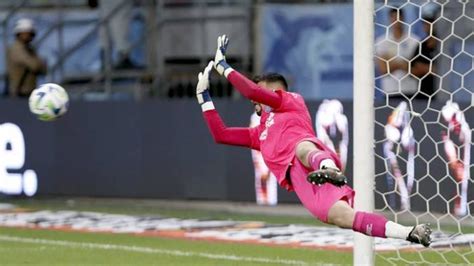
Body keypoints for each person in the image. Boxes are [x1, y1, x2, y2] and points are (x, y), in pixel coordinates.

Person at [196, 35, 432, 247]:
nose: (257, 96)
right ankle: (410, 233)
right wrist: (204, 98)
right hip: (306, 185)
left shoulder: (290, 102)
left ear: (278, 91)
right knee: (344, 218)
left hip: (314, 159)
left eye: (263, 90)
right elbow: (222, 134)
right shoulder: (259, 134)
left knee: (300, 147)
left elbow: (251, 92)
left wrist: (223, 66)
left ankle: (328, 169)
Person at [375, 8, 420, 98]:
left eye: (399, 17)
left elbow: (416, 69)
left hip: (411, 90)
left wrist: (391, 61)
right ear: (389, 19)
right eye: (393, 17)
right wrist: (406, 63)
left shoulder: (415, 41)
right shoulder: (381, 41)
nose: (396, 21)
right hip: (390, 90)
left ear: (403, 18)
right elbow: (383, 69)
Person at [383, 101, 415, 211]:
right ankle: (395, 204)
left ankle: (405, 203)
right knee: (394, 178)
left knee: (406, 179)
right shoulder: (391, 128)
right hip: (393, 154)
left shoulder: (408, 132)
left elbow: (407, 145)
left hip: (404, 155)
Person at [441, 101, 470, 217]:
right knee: (458, 175)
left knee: (463, 177)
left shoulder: (463, 127)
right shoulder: (447, 127)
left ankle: (461, 207)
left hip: (463, 143)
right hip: (452, 142)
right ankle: (458, 207)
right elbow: (446, 138)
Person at [6, 18, 47, 97]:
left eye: (30, 33)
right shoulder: (16, 49)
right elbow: (34, 66)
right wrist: (39, 63)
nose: (29, 36)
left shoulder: (30, 49)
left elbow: (43, 68)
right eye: (26, 33)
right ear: (19, 34)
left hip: (29, 92)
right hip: (19, 94)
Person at [250, 110, 278, 206]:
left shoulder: (273, 115)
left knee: (271, 177)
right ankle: (261, 202)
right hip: (259, 150)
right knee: (261, 176)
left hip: (271, 149)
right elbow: (252, 135)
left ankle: (272, 202)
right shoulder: (255, 117)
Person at [315, 99, 349, 171]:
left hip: (339, 144)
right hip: (327, 143)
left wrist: (336, 117)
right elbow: (323, 129)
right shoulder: (322, 117)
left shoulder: (342, 118)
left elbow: (342, 130)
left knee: (341, 162)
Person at [411, 15, 439, 99]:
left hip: (441, 93)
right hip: (423, 93)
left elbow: (442, 70)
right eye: (425, 24)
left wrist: (425, 68)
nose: (428, 26)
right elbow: (412, 70)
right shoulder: (421, 46)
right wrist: (431, 69)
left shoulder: (444, 45)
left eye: (430, 23)